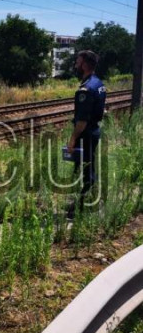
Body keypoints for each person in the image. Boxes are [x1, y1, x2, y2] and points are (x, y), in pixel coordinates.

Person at [66, 50, 106, 219]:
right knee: (85, 167)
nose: (76, 64)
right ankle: (84, 202)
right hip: (93, 131)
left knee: (85, 170)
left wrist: (73, 139)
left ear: (84, 64)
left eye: (78, 61)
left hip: (86, 134)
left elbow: (82, 121)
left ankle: (81, 207)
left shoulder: (86, 89)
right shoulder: (98, 83)